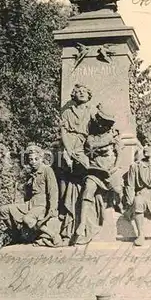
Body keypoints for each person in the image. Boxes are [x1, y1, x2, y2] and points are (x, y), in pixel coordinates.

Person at [75, 103, 123, 245]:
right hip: (95, 170)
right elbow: (90, 146)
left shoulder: (114, 136)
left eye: (107, 124)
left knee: (119, 190)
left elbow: (119, 153)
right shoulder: (93, 137)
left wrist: (116, 167)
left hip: (111, 170)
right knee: (88, 189)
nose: (104, 126)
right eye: (102, 123)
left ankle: (121, 208)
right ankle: (82, 224)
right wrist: (108, 140)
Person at [0, 144, 61, 247]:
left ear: (41, 158)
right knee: (3, 210)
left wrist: (53, 208)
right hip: (30, 204)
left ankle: (53, 236)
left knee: (27, 219)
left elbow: (53, 191)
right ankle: (16, 235)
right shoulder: (31, 173)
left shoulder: (47, 170)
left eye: (36, 159)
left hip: (41, 205)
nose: (33, 162)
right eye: (31, 159)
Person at [59, 84, 95, 243]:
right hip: (70, 144)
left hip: (86, 146)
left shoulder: (92, 112)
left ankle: (85, 223)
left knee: (86, 177)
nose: (81, 93)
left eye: (84, 91)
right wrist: (67, 151)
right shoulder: (67, 112)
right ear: (74, 95)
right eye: (78, 91)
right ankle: (67, 218)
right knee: (65, 179)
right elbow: (64, 132)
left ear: (89, 95)